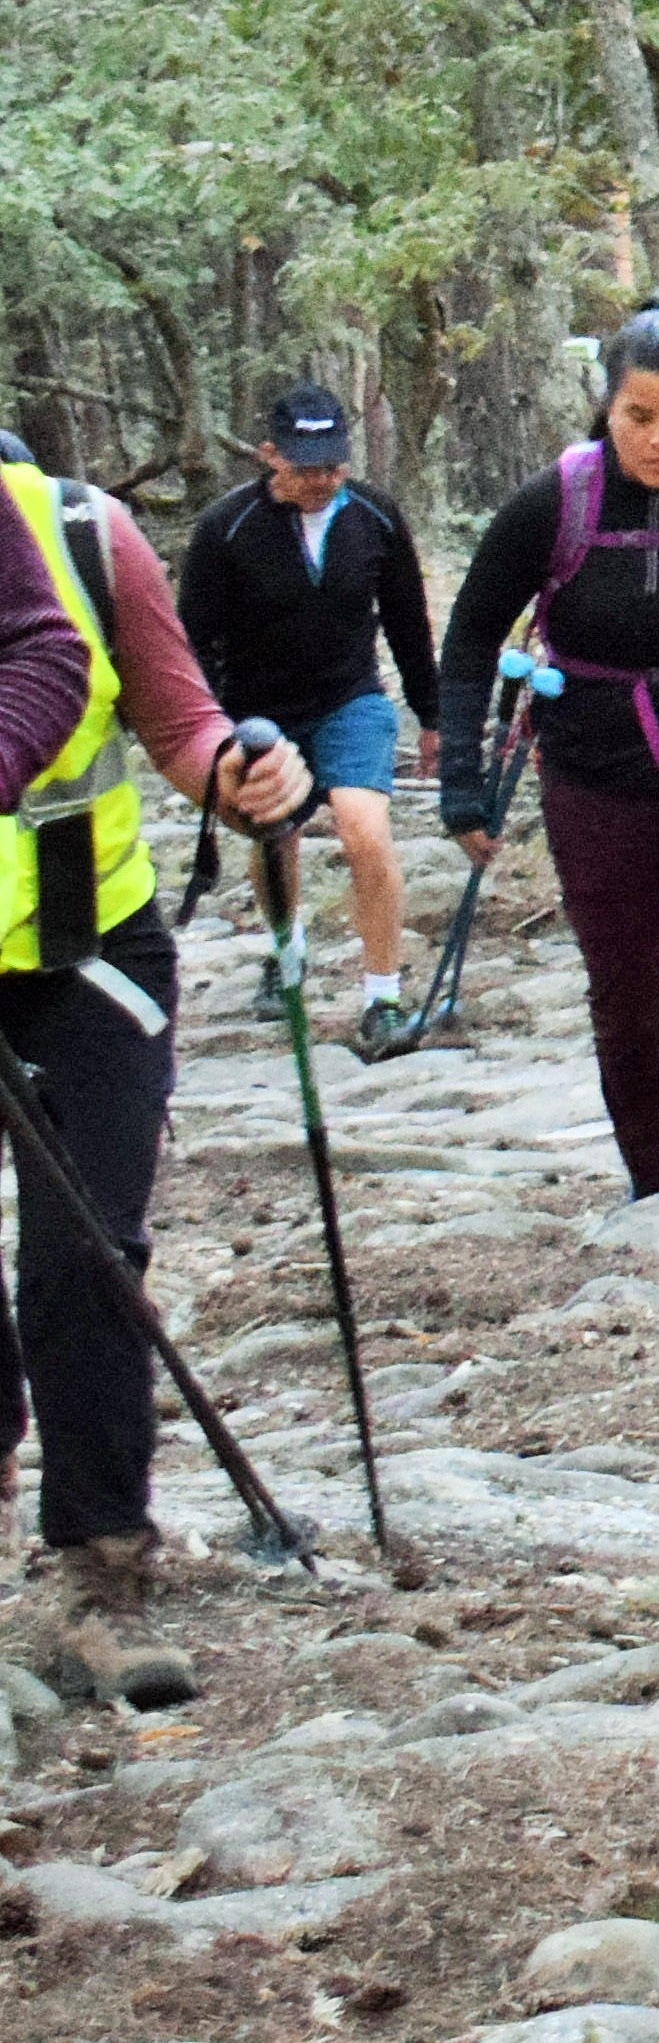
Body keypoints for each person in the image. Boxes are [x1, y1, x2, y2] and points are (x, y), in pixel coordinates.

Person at [0, 430, 314, 1710]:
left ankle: (101, 1564)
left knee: (88, 1253)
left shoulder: (83, 534)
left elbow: (178, 719)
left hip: (91, 952)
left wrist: (245, 777)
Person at [439, 307, 659, 1198]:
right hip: (590, 774)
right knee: (628, 1000)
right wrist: (462, 787)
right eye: (639, 417)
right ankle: (655, 1181)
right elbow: (472, 635)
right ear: (607, 407)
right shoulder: (557, 500)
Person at [178, 384, 438, 1057]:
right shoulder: (224, 529)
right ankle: (284, 952)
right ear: (270, 456)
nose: (321, 481)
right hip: (259, 713)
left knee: (365, 831)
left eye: (333, 465)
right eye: (305, 467)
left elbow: (408, 622)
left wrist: (433, 717)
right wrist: (210, 735)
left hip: (350, 699)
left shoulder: (375, 518)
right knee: (277, 838)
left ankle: (382, 999)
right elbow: (192, 642)